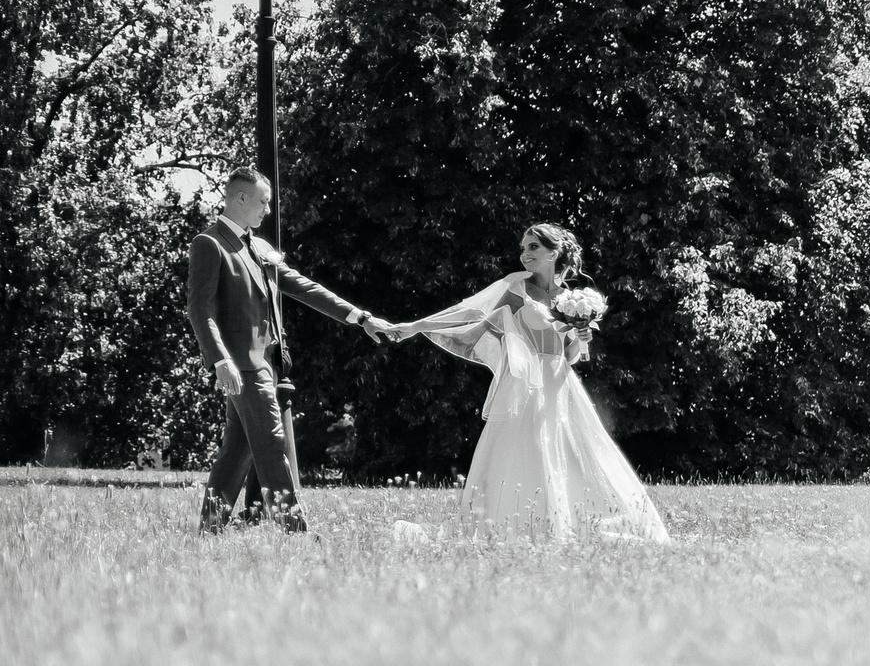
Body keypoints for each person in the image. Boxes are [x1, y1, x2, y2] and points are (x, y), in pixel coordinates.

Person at [386, 223, 670, 543]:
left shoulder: (570, 299)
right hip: (527, 386)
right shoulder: (517, 289)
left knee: (570, 450)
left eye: (533, 247)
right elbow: (468, 314)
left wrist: (581, 335)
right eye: (524, 248)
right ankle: (520, 523)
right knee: (528, 448)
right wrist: (417, 325)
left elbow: (571, 356)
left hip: (562, 386)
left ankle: (565, 523)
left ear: (553, 251)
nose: (525, 254)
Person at [186, 166, 393, 535]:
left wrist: (360, 317)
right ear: (241, 198)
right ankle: (295, 534)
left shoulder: (261, 248)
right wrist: (219, 359)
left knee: (237, 451)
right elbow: (199, 310)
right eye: (263, 201)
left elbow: (305, 288)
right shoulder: (210, 243)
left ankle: (209, 531)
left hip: (269, 364)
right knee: (271, 442)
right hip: (242, 366)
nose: (268, 209)